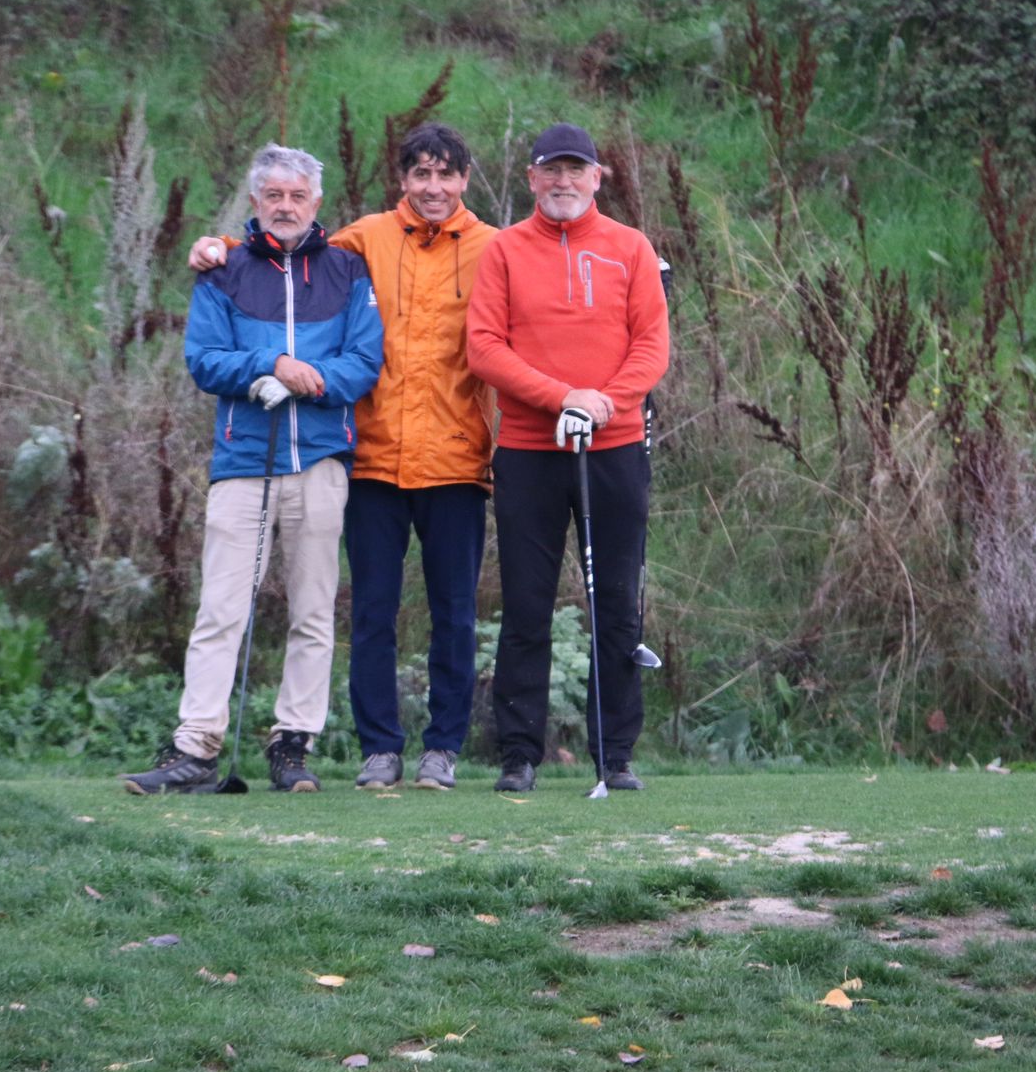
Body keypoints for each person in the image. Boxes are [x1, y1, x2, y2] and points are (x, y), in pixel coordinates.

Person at [190, 124, 495, 790]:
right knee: (371, 614)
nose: (434, 187)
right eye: (421, 174)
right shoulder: (366, 238)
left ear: (466, 179)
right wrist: (221, 248)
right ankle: (378, 748)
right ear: (404, 180)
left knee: (454, 615)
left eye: (446, 175)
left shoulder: (494, 249)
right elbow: (287, 251)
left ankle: (443, 747)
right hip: (373, 460)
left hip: (457, 460)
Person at [123, 144, 384, 794]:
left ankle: (292, 746)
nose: (287, 206)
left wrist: (310, 380)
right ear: (256, 203)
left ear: (316, 203)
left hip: (320, 461)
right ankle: (196, 748)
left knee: (314, 611)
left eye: (298, 196)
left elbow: (365, 362)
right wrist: (267, 366)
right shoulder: (224, 270)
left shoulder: (347, 271)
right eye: (275, 197)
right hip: (244, 461)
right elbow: (205, 359)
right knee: (221, 608)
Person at [465, 122, 669, 792]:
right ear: (530, 179)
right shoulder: (503, 251)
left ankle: (616, 756)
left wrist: (603, 403)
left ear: (597, 177)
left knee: (615, 602)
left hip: (613, 450)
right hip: (529, 450)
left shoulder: (630, 248)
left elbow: (651, 348)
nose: (563, 181)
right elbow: (485, 348)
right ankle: (519, 754)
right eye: (551, 170)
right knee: (525, 604)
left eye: (575, 170)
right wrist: (563, 399)